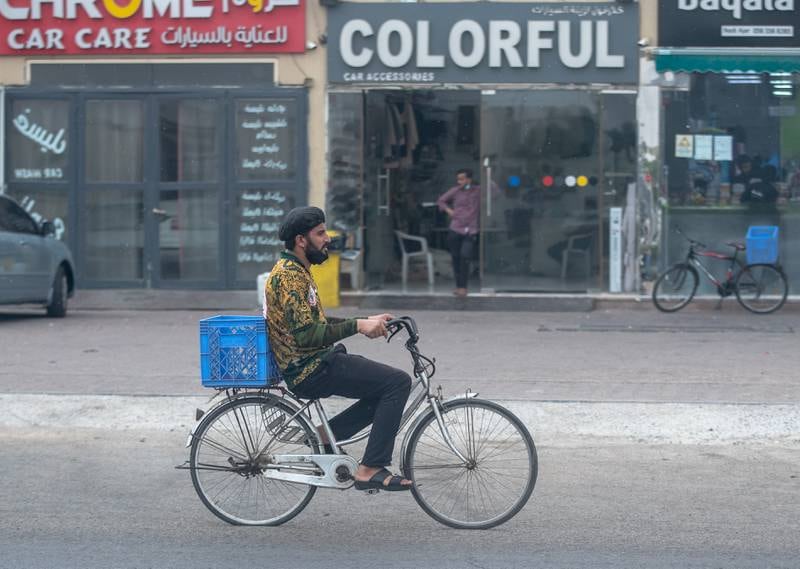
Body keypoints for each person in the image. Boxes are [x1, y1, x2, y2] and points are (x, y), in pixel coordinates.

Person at [264, 206, 414, 492]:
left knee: (382, 390)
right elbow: (308, 336)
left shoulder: (296, 271)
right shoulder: (289, 277)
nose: (327, 239)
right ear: (301, 240)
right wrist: (358, 325)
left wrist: (364, 321)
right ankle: (370, 469)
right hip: (309, 369)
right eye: (320, 233)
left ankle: (325, 438)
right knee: (397, 383)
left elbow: (315, 323)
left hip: (317, 362)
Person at [436, 168, 488, 296]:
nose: (459, 182)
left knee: (465, 256)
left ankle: (463, 287)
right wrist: (450, 211)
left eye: (462, 179)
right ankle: (459, 286)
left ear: (469, 179)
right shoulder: (455, 191)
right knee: (456, 258)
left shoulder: (477, 191)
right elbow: (441, 200)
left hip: (470, 230)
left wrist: (488, 175)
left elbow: (495, 192)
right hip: (455, 229)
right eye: (458, 179)